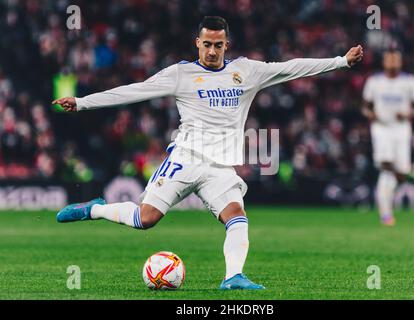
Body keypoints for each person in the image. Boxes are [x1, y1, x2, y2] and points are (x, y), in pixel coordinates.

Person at [53, 16, 363, 289]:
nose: (212, 51)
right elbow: (134, 91)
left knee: (237, 216)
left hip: (220, 168)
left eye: (218, 44)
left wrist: (340, 61)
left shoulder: (246, 72)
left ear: (227, 44)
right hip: (185, 158)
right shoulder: (180, 74)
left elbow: (292, 68)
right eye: (207, 44)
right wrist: (82, 102)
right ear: (197, 43)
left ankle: (233, 277)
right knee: (144, 219)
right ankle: (94, 209)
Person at [362, 49, 414, 226]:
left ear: (401, 62)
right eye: (389, 59)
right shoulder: (374, 81)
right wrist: (371, 115)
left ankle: (406, 171)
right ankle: (386, 214)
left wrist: (407, 114)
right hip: (381, 128)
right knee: (386, 164)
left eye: (396, 59)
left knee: (398, 174)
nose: (392, 62)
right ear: (384, 62)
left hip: (402, 129)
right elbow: (365, 107)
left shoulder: (409, 81)